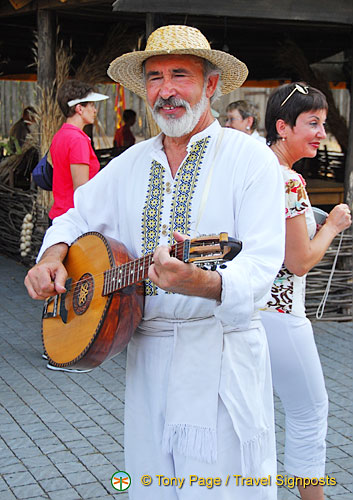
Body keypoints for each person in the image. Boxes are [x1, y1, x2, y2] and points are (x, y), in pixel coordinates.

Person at [25, 25, 286, 499]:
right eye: (154, 77)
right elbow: (73, 216)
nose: (166, 90)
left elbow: (263, 265)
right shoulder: (131, 163)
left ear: (210, 85)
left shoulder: (251, 161)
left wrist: (203, 282)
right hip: (145, 357)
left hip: (220, 358)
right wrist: (52, 256)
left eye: (180, 75)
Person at [260, 82, 351, 500]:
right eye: (312, 123)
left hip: (240, 307)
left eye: (323, 124)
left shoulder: (252, 166)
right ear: (283, 126)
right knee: (309, 410)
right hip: (280, 312)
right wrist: (331, 225)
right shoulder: (288, 181)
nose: (321, 133)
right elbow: (298, 262)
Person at [49, 80, 109, 222]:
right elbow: (81, 190)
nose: (95, 110)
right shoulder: (77, 140)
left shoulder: (60, 135)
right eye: (92, 105)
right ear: (79, 109)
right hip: (73, 219)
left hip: (60, 214)